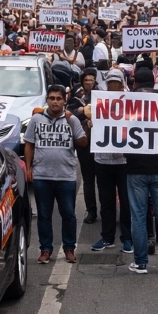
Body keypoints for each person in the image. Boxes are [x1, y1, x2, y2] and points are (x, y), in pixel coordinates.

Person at [24, 84, 88, 264]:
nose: (55, 102)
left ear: (64, 101)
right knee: (44, 215)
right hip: (42, 176)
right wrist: (28, 168)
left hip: (66, 176)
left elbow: (83, 142)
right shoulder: (36, 120)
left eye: (58, 98)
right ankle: (45, 249)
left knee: (68, 214)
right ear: (47, 100)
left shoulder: (71, 120)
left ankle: (69, 248)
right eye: (52, 98)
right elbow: (29, 144)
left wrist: (76, 122)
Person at [125, 67, 158, 273]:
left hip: (136, 167)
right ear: (154, 82)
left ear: (134, 82)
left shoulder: (126, 101)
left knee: (138, 216)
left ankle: (140, 262)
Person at [89, 69, 132, 253]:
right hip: (103, 160)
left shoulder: (132, 102)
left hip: (123, 161)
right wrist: (91, 123)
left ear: (122, 83)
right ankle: (107, 237)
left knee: (126, 201)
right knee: (106, 202)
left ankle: (127, 237)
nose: (114, 86)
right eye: (111, 82)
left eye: (117, 82)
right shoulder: (99, 101)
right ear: (107, 84)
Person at [68, 70, 101, 224]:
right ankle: (91, 211)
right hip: (85, 143)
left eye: (92, 79)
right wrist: (82, 112)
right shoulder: (76, 97)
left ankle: (106, 210)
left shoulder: (102, 95)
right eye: (86, 80)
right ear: (82, 81)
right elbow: (69, 114)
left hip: (101, 143)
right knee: (88, 180)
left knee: (102, 180)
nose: (89, 82)